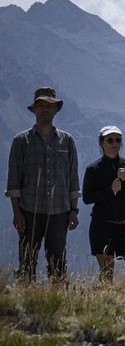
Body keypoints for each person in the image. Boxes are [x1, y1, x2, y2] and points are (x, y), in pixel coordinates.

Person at [7, 86, 79, 283]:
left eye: (49, 106)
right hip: (29, 211)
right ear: (34, 109)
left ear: (56, 110)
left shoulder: (67, 141)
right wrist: (17, 213)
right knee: (27, 260)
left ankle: (56, 302)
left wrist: (74, 211)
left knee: (58, 260)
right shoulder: (21, 141)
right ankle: (28, 301)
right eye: (41, 105)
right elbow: (13, 180)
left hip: (60, 211)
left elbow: (73, 178)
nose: (45, 109)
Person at [80, 125, 125, 283]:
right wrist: (110, 190)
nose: (114, 143)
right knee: (106, 274)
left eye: (118, 140)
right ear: (102, 143)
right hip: (102, 225)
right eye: (110, 140)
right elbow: (87, 198)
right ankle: (107, 304)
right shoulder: (93, 169)